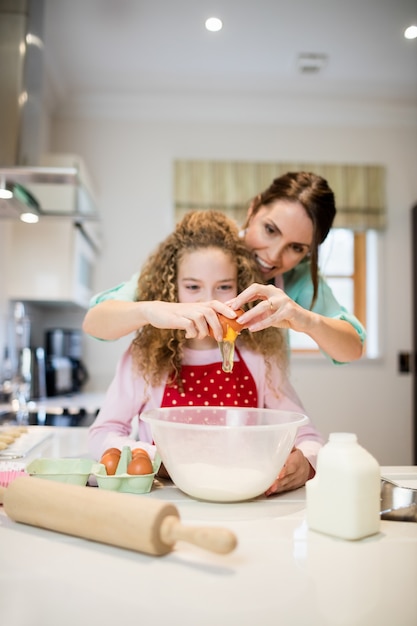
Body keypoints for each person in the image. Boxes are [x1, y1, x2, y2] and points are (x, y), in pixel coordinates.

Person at [88, 210, 323, 495]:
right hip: (169, 499)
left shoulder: (258, 358)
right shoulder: (145, 357)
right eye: (192, 287)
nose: (209, 302)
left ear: (242, 288)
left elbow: (308, 437)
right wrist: (150, 457)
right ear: (172, 291)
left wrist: (305, 462)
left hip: (243, 497)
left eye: (224, 287)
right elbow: (102, 434)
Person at [83, 172, 366, 364]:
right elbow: (95, 323)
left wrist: (306, 320)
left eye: (296, 248)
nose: (274, 256)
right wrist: (149, 309)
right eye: (270, 230)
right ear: (253, 209)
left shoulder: (299, 277)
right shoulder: (207, 253)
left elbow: (352, 349)